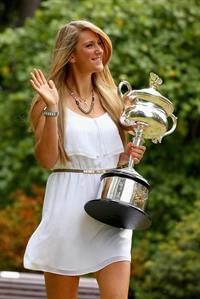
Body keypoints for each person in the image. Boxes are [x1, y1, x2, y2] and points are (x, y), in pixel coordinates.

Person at [23, 20, 146, 299]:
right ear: (71, 55)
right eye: (89, 45)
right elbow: (46, 159)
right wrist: (52, 108)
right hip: (67, 208)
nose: (99, 50)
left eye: (100, 43)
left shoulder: (113, 99)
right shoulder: (49, 99)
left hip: (110, 208)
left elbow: (117, 157)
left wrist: (128, 156)